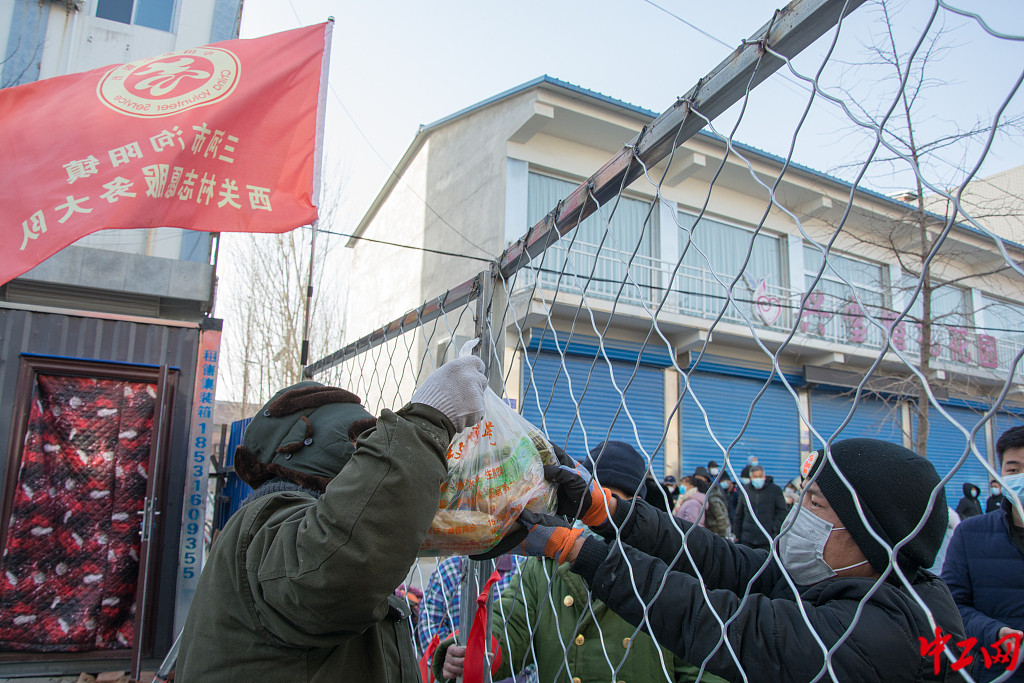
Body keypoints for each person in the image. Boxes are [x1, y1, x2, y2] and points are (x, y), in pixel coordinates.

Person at [506, 438, 966, 681]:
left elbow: (722, 622)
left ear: (871, 536)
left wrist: (579, 550)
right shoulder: (834, 579)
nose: (796, 511)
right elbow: (724, 562)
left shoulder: (889, 634)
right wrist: (604, 511)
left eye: (817, 505)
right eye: (802, 496)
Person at [175, 354, 489, 681]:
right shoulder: (267, 519)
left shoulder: (302, 521)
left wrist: (502, 522)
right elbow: (346, 562)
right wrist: (427, 419)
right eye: (362, 441)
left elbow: (384, 523)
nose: (365, 455)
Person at [435, 441, 725, 683]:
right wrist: (482, 650)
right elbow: (512, 623)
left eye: (610, 503)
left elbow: (703, 665)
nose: (596, 519)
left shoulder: (667, 573)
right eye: (591, 503)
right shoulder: (546, 565)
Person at [942, 425, 1024, 682]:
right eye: (1014, 470)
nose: (1022, 477)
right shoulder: (970, 534)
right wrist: (995, 633)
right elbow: (951, 606)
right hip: (998, 671)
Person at [417, 555, 533, 683]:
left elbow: (529, 633)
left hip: (514, 676)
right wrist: (448, 655)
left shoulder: (521, 568)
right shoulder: (447, 572)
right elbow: (429, 624)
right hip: (457, 674)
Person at [733, 464, 788, 550]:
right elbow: (739, 513)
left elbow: (782, 511)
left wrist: (774, 528)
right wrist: (736, 532)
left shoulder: (775, 490)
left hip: (767, 538)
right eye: (755, 477)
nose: (757, 479)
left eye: (760, 476)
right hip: (748, 538)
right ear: (751, 478)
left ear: (764, 477)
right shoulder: (745, 490)